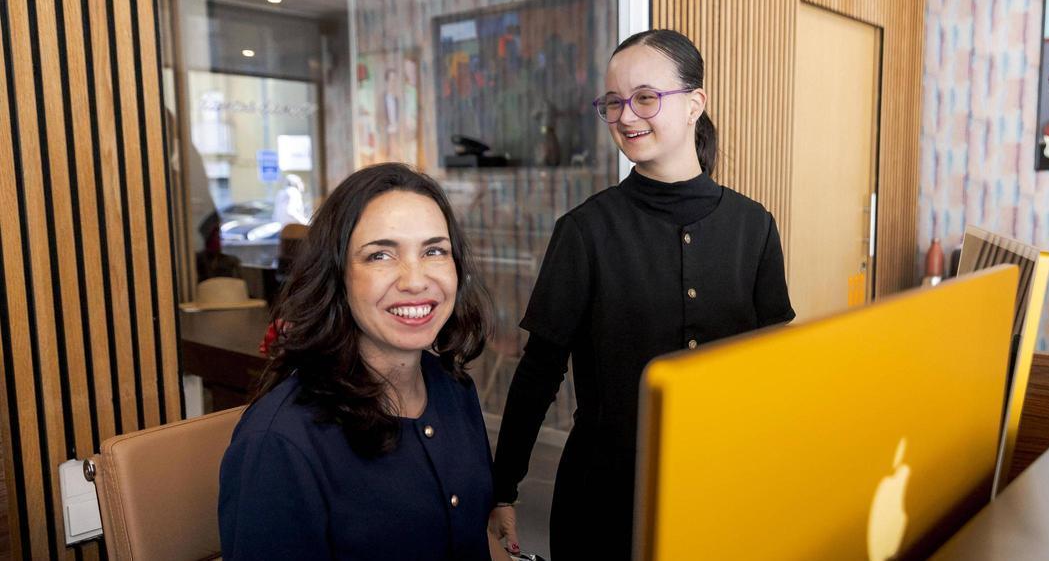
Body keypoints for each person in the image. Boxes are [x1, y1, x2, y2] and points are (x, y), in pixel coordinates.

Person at [489, 29, 795, 559]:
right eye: (614, 103)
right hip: (604, 495)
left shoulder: (755, 227)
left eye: (646, 97)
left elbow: (775, 367)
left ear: (694, 103)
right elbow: (540, 371)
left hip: (721, 484)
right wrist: (503, 487)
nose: (627, 117)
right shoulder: (585, 232)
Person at [219, 163, 509, 560]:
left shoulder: (453, 389)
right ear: (336, 275)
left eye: (434, 251)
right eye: (380, 255)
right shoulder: (279, 443)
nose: (415, 280)